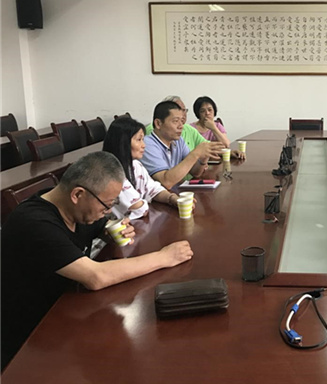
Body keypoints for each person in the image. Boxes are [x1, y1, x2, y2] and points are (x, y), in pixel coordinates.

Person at [1, 152, 195, 369]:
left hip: (67, 308)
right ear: (78, 194)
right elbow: (96, 277)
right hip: (28, 340)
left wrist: (111, 231)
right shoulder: (34, 223)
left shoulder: (73, 208)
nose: (108, 211)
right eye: (106, 205)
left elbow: (102, 226)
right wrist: (164, 257)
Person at [103, 117, 189, 220]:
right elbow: (139, 209)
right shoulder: (111, 172)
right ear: (123, 142)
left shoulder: (135, 165)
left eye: (143, 140)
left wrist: (173, 199)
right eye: (139, 140)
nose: (143, 145)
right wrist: (144, 202)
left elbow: (154, 189)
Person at [141, 100, 224, 189]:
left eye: (181, 121)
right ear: (158, 124)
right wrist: (196, 153)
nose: (181, 126)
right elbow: (166, 182)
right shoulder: (147, 145)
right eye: (175, 121)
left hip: (175, 193)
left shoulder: (178, 141)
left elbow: (195, 172)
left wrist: (204, 158)